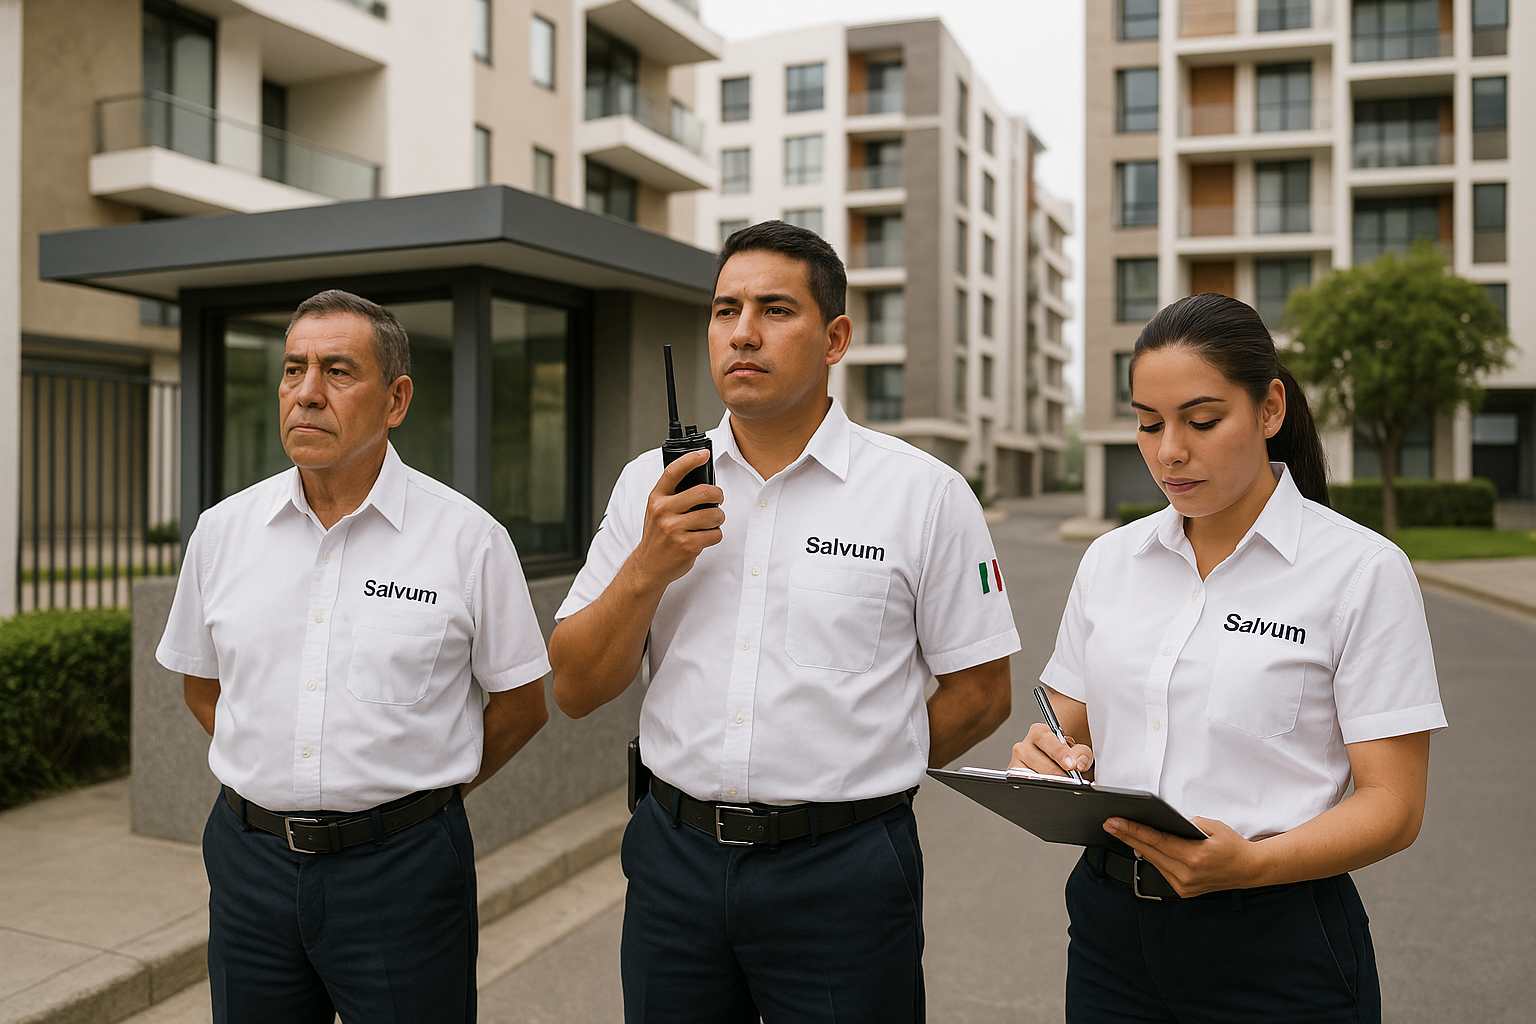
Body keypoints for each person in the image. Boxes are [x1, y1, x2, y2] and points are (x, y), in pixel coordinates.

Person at [549, 221, 1019, 1023]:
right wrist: (649, 568)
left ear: (835, 337)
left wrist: (854, 774)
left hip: (844, 874)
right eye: (725, 309)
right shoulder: (650, 486)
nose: (742, 333)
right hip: (673, 864)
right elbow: (575, 685)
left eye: (774, 310)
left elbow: (981, 691)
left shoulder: (922, 494)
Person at [1012, 292, 1446, 1023]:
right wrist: (1046, 755)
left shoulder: (1360, 570)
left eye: (1201, 421)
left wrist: (1252, 864)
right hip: (1110, 932)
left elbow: (1394, 806)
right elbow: (1067, 722)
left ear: (1269, 408)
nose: (1169, 450)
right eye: (1148, 423)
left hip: (1274, 942)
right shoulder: (1112, 561)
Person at [156, 289, 551, 1024]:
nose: (307, 393)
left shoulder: (468, 540)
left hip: (402, 873)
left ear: (396, 399)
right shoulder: (222, 533)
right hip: (250, 867)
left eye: (338, 371)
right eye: (293, 369)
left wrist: (415, 799)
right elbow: (202, 686)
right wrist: (281, 767)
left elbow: (523, 707)